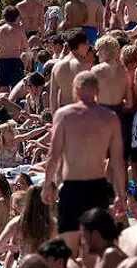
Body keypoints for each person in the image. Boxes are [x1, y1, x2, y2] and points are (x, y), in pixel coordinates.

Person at [42, 70, 122, 247]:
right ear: (97, 91)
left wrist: (47, 185)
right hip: (98, 186)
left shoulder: (65, 115)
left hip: (72, 186)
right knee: (95, 247)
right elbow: (117, 161)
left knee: (69, 246)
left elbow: (54, 155)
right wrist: (120, 195)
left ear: (76, 89)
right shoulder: (110, 118)